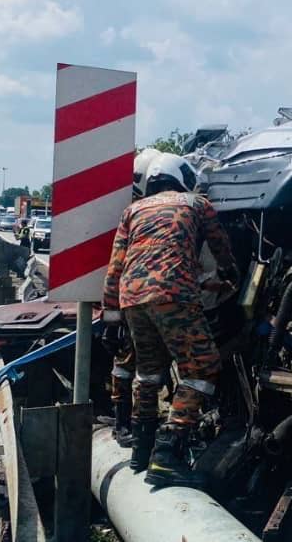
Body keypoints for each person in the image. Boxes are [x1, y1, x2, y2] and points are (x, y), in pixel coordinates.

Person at [102, 153, 239, 488]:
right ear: (184, 177)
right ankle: (168, 453)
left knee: (148, 371)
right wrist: (231, 274)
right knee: (201, 368)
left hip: (132, 299)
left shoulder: (132, 211)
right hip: (174, 296)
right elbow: (221, 248)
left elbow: (115, 267)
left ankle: (141, 449)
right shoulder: (197, 203)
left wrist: (111, 317)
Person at [100, 147, 167, 449]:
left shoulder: (134, 210)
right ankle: (131, 425)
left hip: (130, 297)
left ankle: (129, 422)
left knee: (131, 363)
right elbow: (117, 265)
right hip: (135, 298)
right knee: (135, 363)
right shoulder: (137, 212)